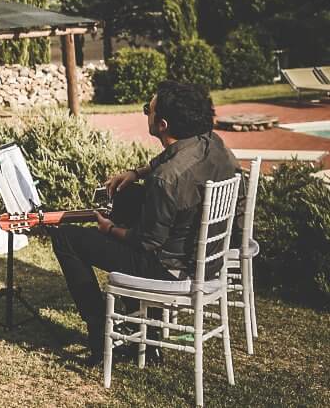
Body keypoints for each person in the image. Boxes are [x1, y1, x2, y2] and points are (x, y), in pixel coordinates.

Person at [52, 80, 240, 364]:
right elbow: (171, 156)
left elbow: (146, 242)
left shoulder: (166, 178)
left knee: (66, 237)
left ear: (162, 124)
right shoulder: (211, 143)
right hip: (205, 260)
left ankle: (103, 335)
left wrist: (110, 229)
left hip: (170, 271)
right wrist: (136, 173)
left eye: (147, 110)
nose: (146, 114)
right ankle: (145, 335)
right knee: (129, 198)